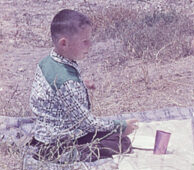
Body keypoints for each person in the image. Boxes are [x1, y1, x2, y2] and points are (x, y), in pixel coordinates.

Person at [29, 9, 138, 162]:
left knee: (110, 135)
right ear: (64, 43)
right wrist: (120, 126)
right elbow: (86, 123)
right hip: (59, 141)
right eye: (85, 41)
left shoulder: (47, 62)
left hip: (44, 134)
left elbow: (56, 90)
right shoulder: (67, 82)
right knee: (121, 142)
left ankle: (57, 152)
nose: (90, 45)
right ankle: (68, 155)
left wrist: (80, 84)